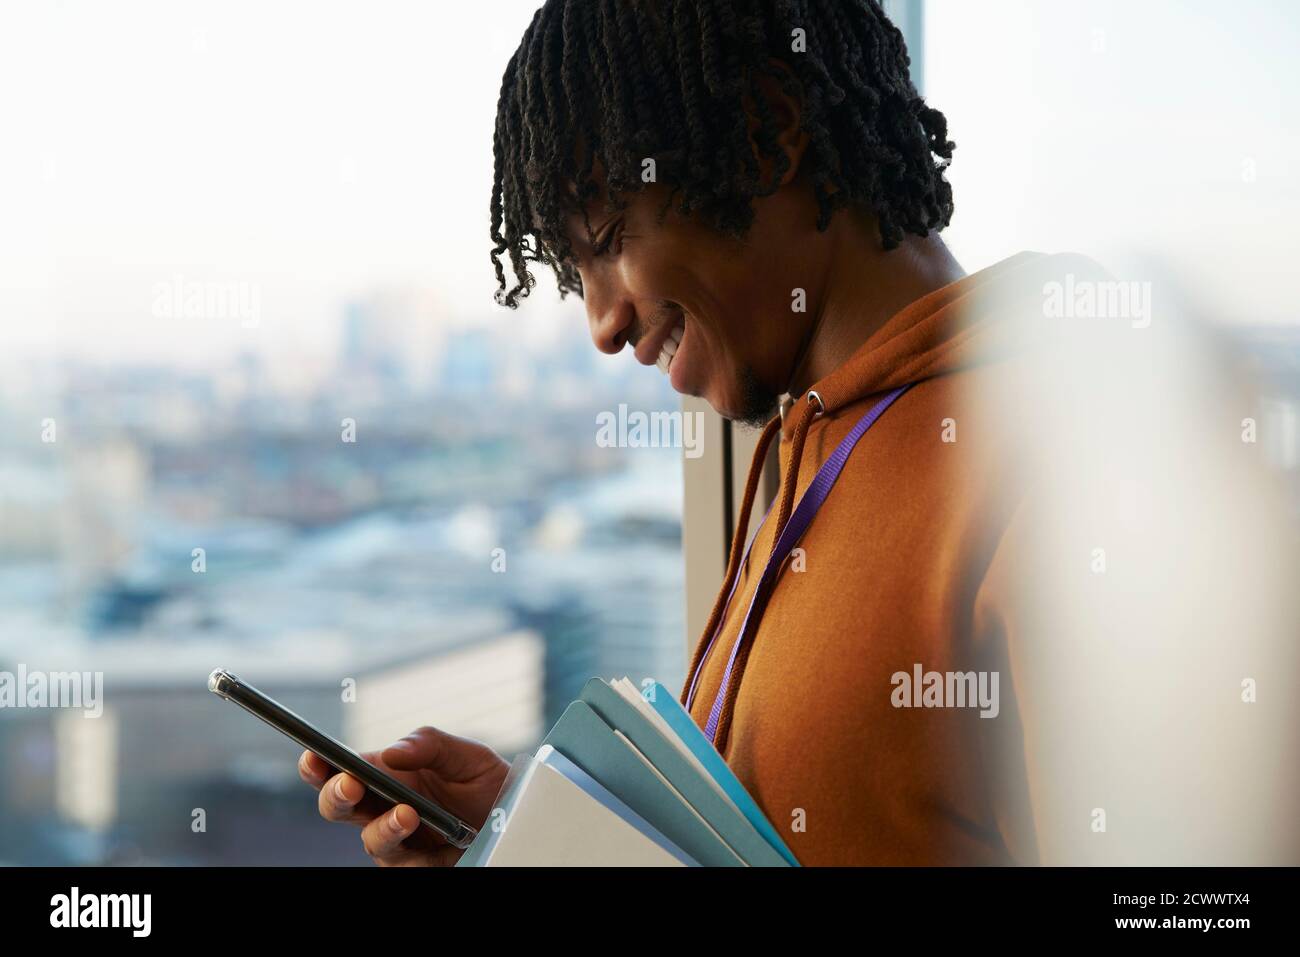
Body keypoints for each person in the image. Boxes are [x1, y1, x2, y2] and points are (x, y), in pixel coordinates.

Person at [300, 0, 1300, 866]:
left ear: (770, 132)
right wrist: (539, 833)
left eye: (607, 244)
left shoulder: (1066, 447)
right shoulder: (796, 447)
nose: (603, 324)